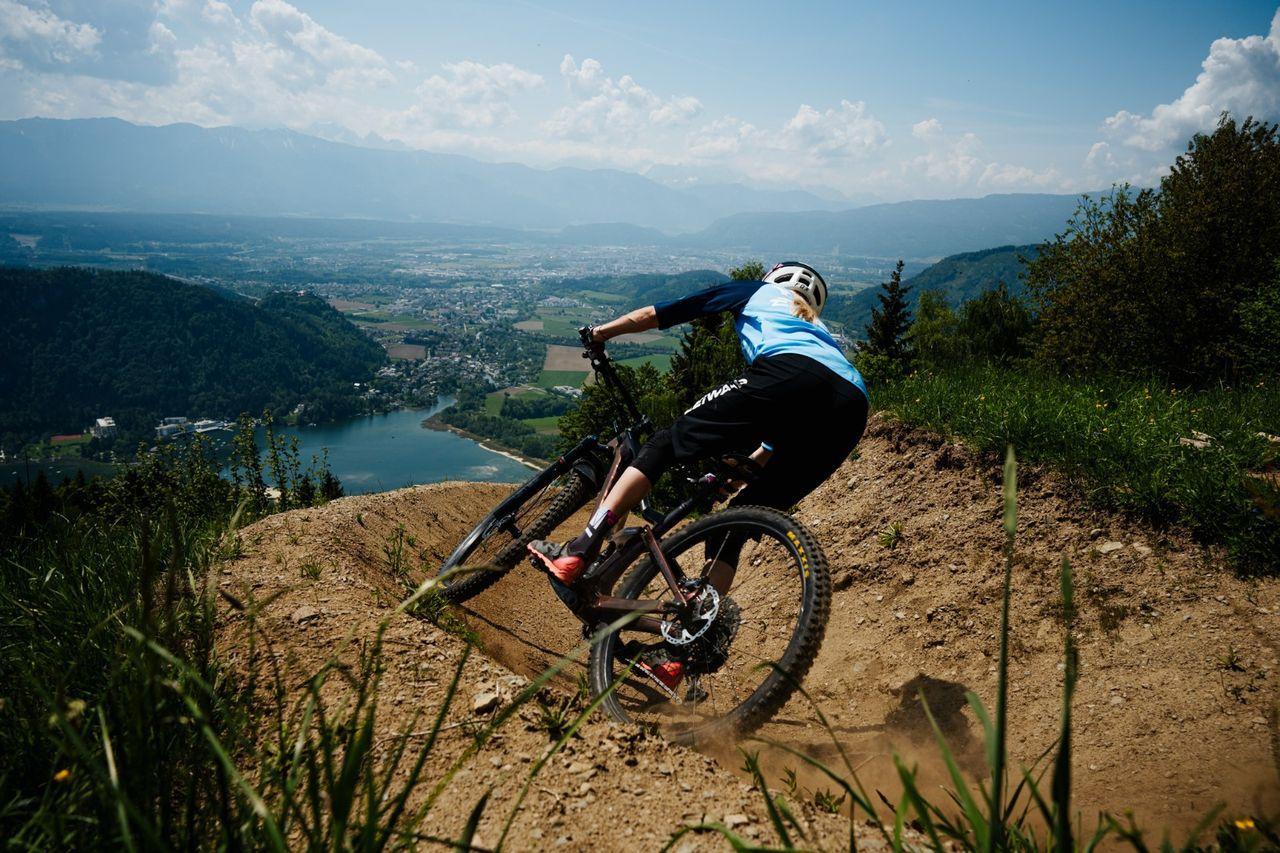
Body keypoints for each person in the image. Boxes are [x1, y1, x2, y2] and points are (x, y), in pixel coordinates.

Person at [528, 261, 869, 689]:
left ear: (775, 278)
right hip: (850, 410)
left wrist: (602, 334)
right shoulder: (822, 331)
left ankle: (579, 549)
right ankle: (678, 658)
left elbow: (664, 312)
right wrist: (747, 473)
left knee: (665, 444)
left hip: (788, 376)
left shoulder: (755, 292)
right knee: (740, 519)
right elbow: (781, 436)